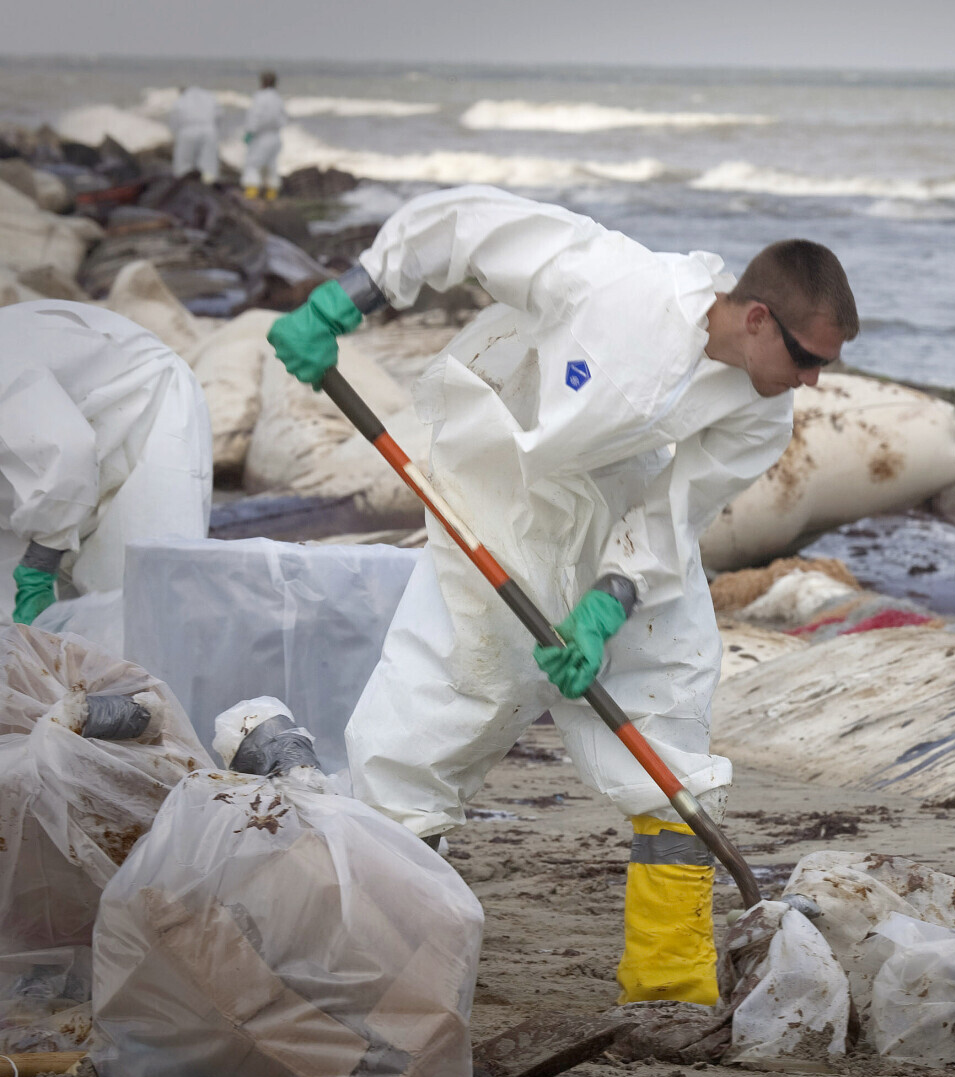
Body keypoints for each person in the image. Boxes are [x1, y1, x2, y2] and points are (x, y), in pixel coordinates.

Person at [267, 185, 856, 1007]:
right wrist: (351, 295)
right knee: (426, 725)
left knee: (670, 723)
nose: (814, 380)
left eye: (825, 365)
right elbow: (467, 225)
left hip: (623, 531)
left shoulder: (763, 413)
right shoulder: (616, 280)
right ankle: (387, 965)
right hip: (501, 502)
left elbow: (670, 513)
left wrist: (609, 600)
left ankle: (668, 986)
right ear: (757, 317)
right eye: (807, 357)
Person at [0, 302, 213, 655]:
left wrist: (38, 568)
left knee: (136, 609)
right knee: (15, 627)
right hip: (60, 459)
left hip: (140, 414)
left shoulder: (4, 370)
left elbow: (66, 453)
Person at [241, 71, 286, 200]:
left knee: (253, 165)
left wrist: (249, 132)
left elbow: (254, 117)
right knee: (271, 166)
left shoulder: (259, 97)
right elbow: (284, 119)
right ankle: (271, 195)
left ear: (263, 82)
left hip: (261, 137)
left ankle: (251, 194)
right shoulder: (278, 98)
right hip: (275, 137)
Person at [168, 85, 221, 184]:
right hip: (209, 130)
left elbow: (174, 121)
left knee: (184, 164)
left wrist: (175, 135)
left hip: (187, 131)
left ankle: (185, 186)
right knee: (208, 164)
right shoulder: (209, 97)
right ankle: (209, 187)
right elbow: (219, 115)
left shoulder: (181, 100)